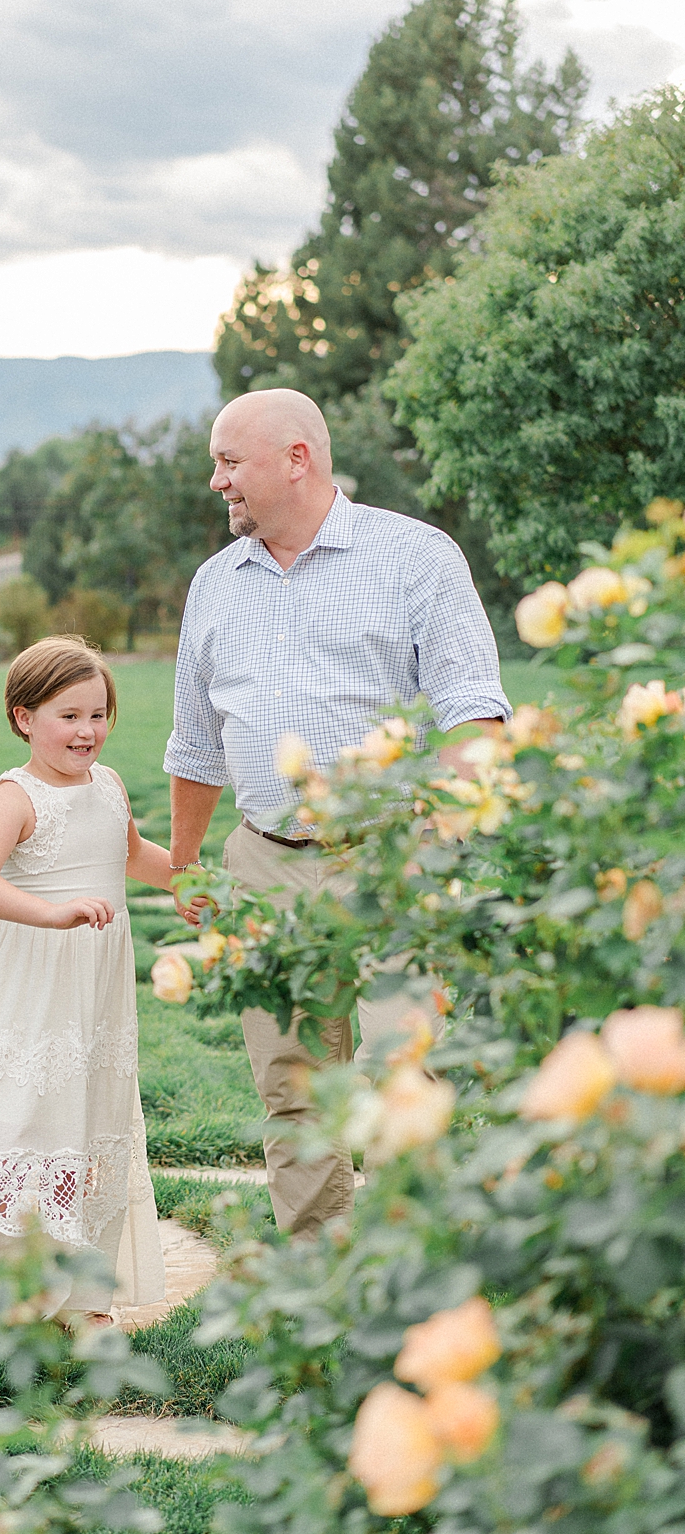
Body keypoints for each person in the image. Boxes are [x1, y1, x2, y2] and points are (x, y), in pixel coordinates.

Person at [165, 388, 510, 1240]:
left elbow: (474, 709)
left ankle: (406, 1260)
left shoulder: (416, 558)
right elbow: (196, 743)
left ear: (297, 458)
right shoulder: (215, 584)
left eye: (228, 460)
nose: (217, 481)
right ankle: (320, 1267)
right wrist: (188, 863)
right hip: (267, 859)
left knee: (405, 1068)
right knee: (293, 1082)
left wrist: (451, 832)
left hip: (395, 855)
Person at [0, 635, 177, 1359]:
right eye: (68, 715)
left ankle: (81, 1292)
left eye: (98, 713)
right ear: (25, 717)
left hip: (94, 995)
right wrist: (49, 912)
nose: (87, 730)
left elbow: (132, 854)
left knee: (86, 1124)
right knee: (10, 1124)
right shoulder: (15, 795)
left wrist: (189, 880)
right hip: (29, 987)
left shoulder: (109, 785)